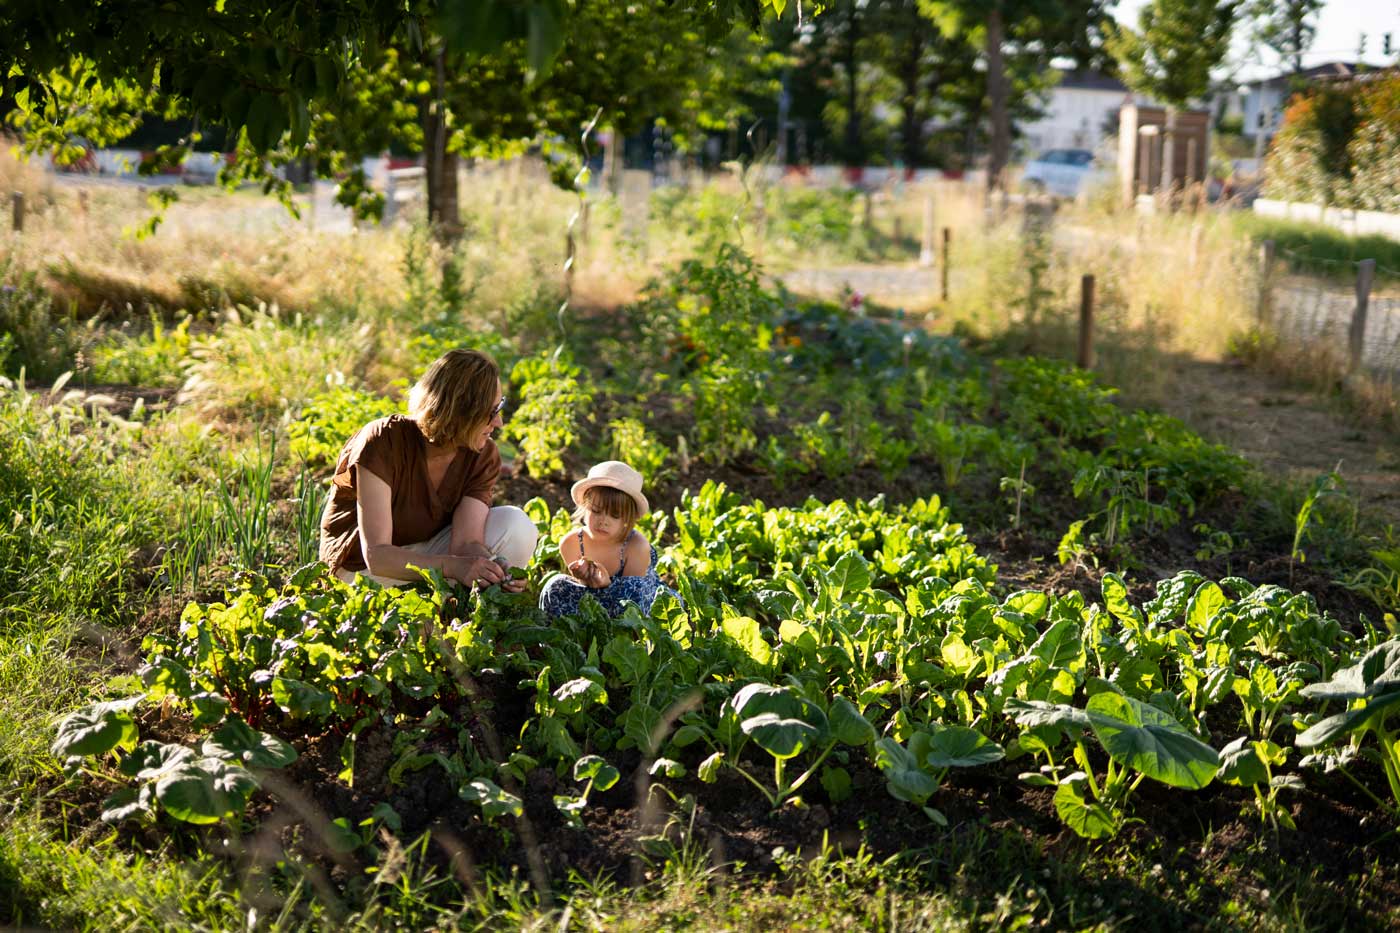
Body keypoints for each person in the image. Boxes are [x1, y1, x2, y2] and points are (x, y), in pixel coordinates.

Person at [319, 348, 537, 589]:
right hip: (363, 572)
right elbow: (377, 556)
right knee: (414, 615)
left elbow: (466, 543)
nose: (498, 422)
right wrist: (454, 568)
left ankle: (451, 603)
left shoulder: (481, 454)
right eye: (490, 412)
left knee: (516, 525)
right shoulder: (383, 442)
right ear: (459, 411)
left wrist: (493, 567)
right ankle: (436, 605)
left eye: (499, 408)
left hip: (429, 556)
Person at [539, 461, 670, 618]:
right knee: (555, 586)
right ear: (584, 506)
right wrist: (585, 579)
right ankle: (564, 637)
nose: (603, 521)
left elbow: (633, 599)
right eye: (596, 511)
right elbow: (582, 592)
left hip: (631, 605)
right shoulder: (572, 543)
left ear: (627, 519)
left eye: (614, 515)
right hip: (594, 603)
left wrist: (608, 585)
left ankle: (624, 641)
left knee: (634, 592)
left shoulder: (636, 545)